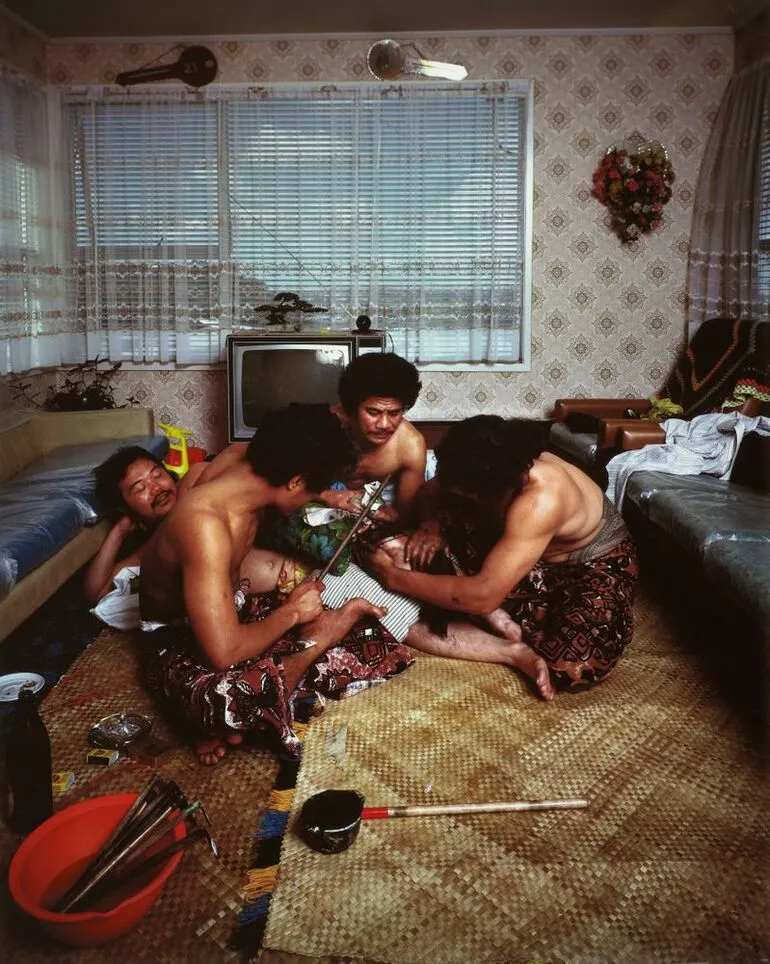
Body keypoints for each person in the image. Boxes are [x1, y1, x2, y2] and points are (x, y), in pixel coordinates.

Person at [138, 404, 414, 764]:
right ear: (295, 480)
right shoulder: (204, 526)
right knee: (226, 702)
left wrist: (327, 495)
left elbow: (295, 445)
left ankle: (291, 674)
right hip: (175, 635)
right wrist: (291, 614)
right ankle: (308, 651)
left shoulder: (244, 456)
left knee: (370, 639)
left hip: (229, 608)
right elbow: (222, 653)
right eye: (310, 487)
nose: (308, 496)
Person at [366, 415, 639, 699]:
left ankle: (498, 610)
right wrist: (429, 525)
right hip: (519, 555)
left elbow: (482, 595)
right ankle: (497, 610)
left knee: (569, 666)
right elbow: (430, 493)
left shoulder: (540, 497)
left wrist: (395, 579)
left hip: (588, 565)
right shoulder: (486, 462)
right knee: (392, 545)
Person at [320, 352, 428, 526]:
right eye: (373, 412)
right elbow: (283, 487)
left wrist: (388, 516)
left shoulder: (410, 444)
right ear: (352, 409)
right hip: (321, 506)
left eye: (394, 413)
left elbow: (406, 513)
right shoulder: (323, 428)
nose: (384, 424)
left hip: (376, 517)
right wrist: (326, 496)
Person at [84, 447, 201, 605]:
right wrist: (119, 530)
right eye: (140, 488)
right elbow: (97, 592)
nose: (156, 488)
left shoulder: (193, 484)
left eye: (157, 475)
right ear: (125, 507)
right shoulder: (152, 547)